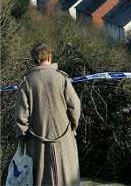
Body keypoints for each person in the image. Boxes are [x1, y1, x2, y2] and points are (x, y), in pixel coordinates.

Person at [15, 43, 81, 185]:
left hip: (36, 142)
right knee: (67, 179)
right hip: (64, 140)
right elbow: (75, 107)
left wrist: (22, 139)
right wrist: (73, 128)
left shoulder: (26, 82)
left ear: (34, 60)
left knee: (41, 179)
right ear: (50, 56)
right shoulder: (62, 78)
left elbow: (21, 117)